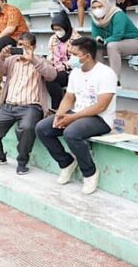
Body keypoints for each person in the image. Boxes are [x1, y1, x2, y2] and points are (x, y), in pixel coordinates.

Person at [36, 37, 118, 195]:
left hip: (100, 119)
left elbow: (101, 105)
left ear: (87, 56)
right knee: (42, 128)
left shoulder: (106, 73)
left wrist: (72, 118)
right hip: (78, 114)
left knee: (71, 132)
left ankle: (90, 172)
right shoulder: (75, 73)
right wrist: (60, 114)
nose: (70, 58)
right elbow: (69, 97)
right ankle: (66, 163)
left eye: (74, 54)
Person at [0, 33, 57, 175]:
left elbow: (52, 75)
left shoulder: (40, 61)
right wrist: (1, 56)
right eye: (20, 45)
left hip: (31, 106)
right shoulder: (11, 61)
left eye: (26, 46)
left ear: (33, 47)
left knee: (27, 128)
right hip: (8, 106)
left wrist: (33, 59)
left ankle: (22, 162)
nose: (21, 49)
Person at [90, 0, 138, 80]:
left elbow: (117, 36)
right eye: (94, 7)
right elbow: (95, 36)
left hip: (136, 42)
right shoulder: (95, 19)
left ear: (106, 5)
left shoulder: (117, 14)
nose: (97, 9)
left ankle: (114, 81)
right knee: (96, 46)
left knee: (112, 46)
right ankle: (100, 78)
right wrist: (97, 40)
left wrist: (104, 41)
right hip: (114, 43)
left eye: (100, 6)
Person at [45, 11, 81, 110]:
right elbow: (50, 54)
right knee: (49, 78)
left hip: (72, 71)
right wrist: (51, 62)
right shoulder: (53, 39)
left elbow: (77, 60)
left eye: (59, 29)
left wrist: (64, 66)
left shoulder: (76, 39)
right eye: (55, 30)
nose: (57, 32)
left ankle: (58, 108)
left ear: (65, 26)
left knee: (52, 77)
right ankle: (57, 108)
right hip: (57, 69)